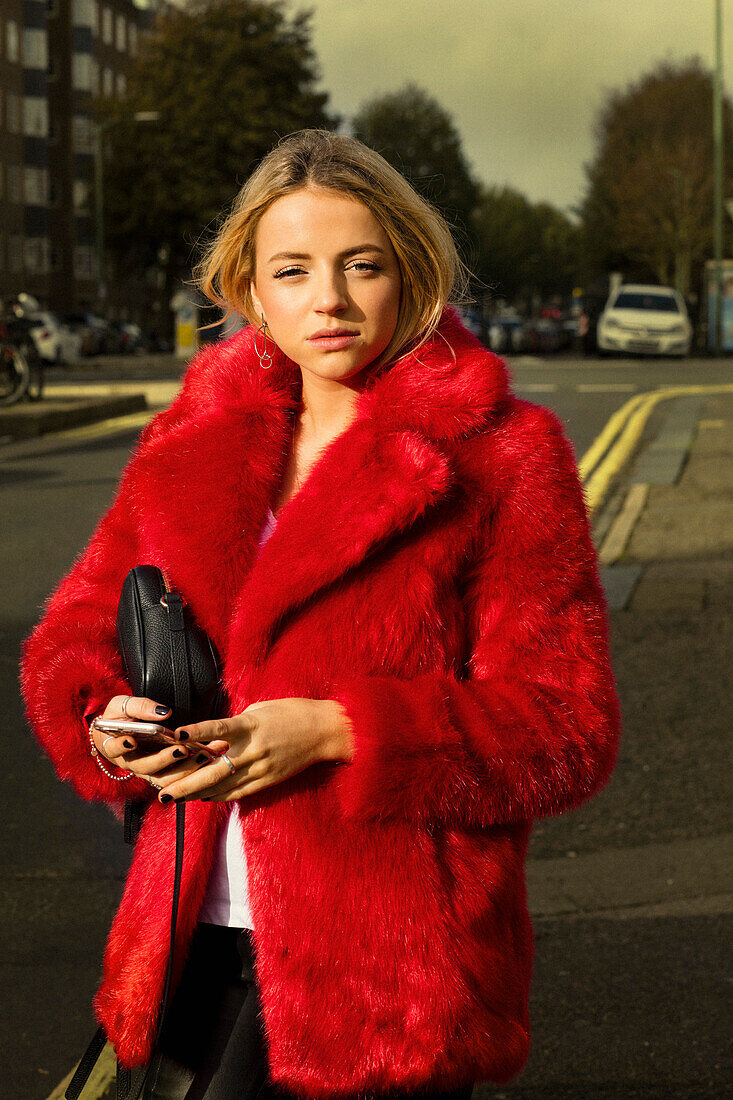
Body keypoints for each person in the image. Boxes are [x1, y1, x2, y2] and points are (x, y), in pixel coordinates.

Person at [19, 129, 621, 1100]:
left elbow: (566, 725)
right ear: (251, 290)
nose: (328, 299)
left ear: (410, 274)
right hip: (189, 934)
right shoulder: (191, 438)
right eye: (292, 269)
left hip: (391, 972)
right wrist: (104, 719)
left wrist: (340, 727)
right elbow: (73, 634)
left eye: (362, 266)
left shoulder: (503, 455)